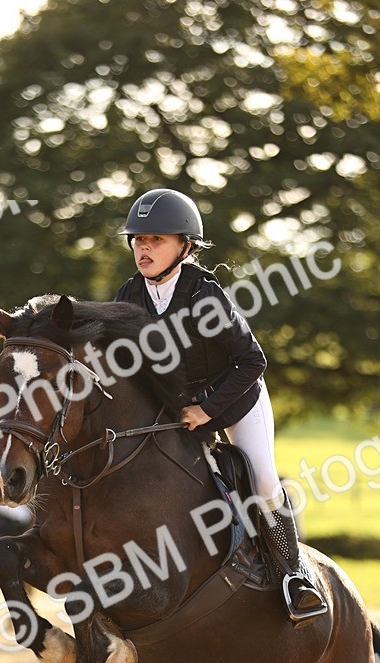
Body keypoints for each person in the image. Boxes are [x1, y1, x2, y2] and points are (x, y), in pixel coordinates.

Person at [115, 187, 327, 621]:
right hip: (175, 409)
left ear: (185, 246)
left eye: (157, 240)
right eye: (139, 239)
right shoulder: (130, 297)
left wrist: (207, 409)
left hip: (235, 399)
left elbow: (253, 361)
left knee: (264, 483)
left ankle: (295, 575)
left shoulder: (204, 296)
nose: (144, 248)